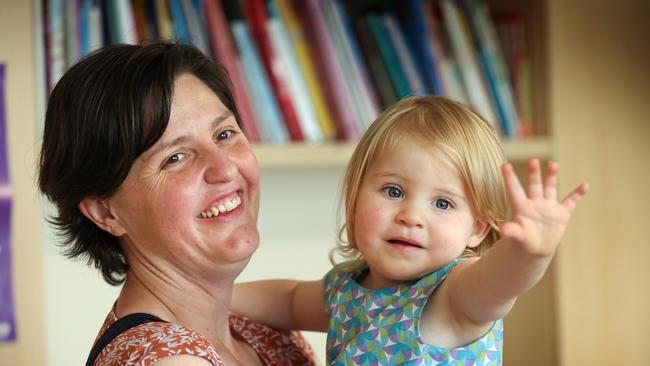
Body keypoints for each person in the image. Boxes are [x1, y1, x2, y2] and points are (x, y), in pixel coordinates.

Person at [232, 96, 589, 365]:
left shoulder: (454, 295)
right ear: (355, 198)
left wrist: (530, 255)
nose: (411, 216)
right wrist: (214, 297)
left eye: (443, 203)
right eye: (394, 191)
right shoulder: (345, 288)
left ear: (478, 229)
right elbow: (288, 300)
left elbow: (501, 282)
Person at [38, 42, 317, 366]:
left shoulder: (254, 327)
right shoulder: (167, 360)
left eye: (224, 134)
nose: (226, 168)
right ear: (106, 212)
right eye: (175, 158)